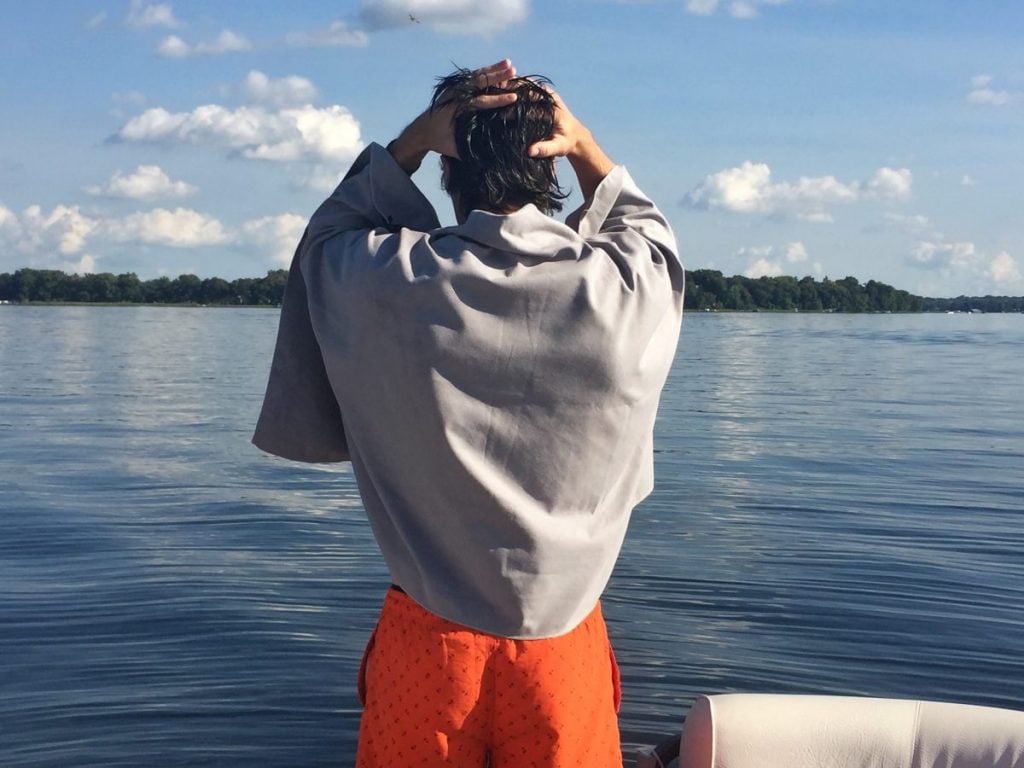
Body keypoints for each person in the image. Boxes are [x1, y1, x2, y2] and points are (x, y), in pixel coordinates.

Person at [253, 59, 684, 767]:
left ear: (447, 172)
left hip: (429, 647)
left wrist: (414, 141)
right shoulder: (626, 288)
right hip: (561, 656)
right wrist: (583, 145)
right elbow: (646, 227)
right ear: (548, 169)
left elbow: (328, 234)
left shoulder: (383, 278)